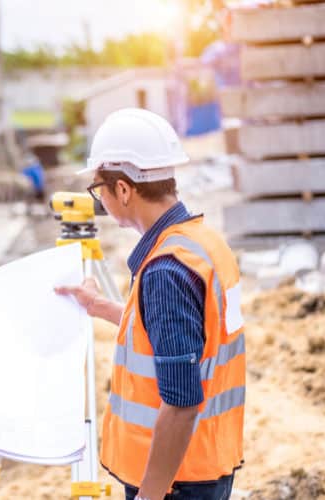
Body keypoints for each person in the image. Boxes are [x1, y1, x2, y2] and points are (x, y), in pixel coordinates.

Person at [55, 108, 245, 500]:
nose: (100, 200)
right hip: (205, 462)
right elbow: (179, 332)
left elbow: (181, 403)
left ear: (123, 189)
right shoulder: (202, 243)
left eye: (99, 190)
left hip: (175, 481)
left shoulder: (165, 270)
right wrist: (100, 306)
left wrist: (149, 495)